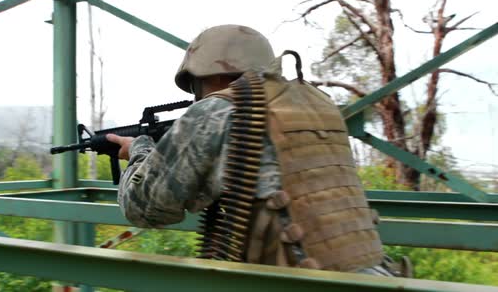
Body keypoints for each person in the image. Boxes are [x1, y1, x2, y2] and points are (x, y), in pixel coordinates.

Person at [107, 24, 404, 276]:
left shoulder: (216, 111)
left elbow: (143, 208)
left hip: (300, 281)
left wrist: (140, 151)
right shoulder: (318, 103)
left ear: (208, 75)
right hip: (373, 272)